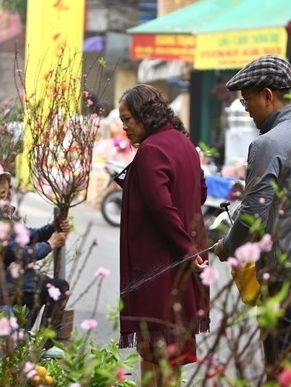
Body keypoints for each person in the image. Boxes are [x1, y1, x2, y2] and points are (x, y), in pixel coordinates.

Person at [213, 55, 291, 379]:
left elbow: (253, 216)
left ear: (268, 95)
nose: (246, 109)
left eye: (247, 100)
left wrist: (225, 248)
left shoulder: (267, 143)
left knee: (281, 374)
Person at [117, 84, 209, 387]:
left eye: (128, 119)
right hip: (182, 268)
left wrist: (186, 250)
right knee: (171, 354)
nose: (125, 127)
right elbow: (201, 193)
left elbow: (162, 210)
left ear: (146, 114)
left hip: (160, 270)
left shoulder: (151, 151)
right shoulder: (184, 144)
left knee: (155, 353)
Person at [0, 158, 70, 336]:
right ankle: (42, 345)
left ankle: (25, 337)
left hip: (10, 280)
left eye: (3, 180)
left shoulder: (2, 210)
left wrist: (52, 227)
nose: (1, 187)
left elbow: (25, 234)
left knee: (47, 287)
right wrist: (50, 244)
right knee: (58, 288)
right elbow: (13, 253)